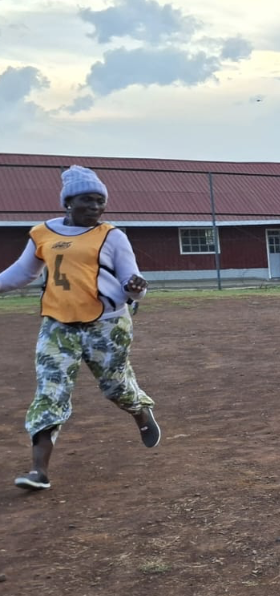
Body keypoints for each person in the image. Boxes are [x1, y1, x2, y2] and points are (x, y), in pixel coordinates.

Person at [0, 165, 160, 491]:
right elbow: (21, 274)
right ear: (68, 202)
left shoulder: (112, 236)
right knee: (51, 390)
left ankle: (141, 412)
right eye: (87, 200)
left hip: (107, 324)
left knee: (116, 387)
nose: (95, 207)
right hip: (58, 324)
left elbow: (133, 283)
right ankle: (38, 471)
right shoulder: (42, 234)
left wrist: (136, 288)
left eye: (100, 201)